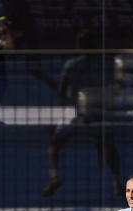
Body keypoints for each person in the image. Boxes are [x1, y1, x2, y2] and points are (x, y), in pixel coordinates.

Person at [41, 29, 123, 199]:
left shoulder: (70, 65)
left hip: (75, 111)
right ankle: (117, 183)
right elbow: (116, 86)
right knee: (108, 145)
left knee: (55, 144)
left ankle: (54, 177)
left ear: (78, 45)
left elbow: (62, 93)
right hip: (99, 109)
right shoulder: (108, 63)